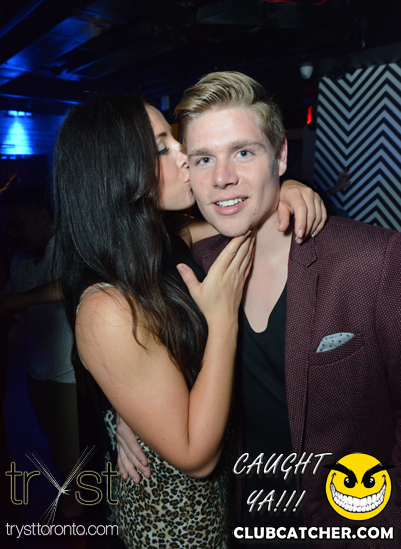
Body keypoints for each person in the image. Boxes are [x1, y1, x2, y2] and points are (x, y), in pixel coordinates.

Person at [120, 72, 401, 548]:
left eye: (243, 153)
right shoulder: (195, 267)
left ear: (281, 156)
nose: (222, 177)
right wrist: (129, 409)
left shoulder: (372, 260)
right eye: (204, 158)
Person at [53, 93, 326, 549]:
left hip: (221, 503)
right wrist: (222, 322)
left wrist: (286, 187)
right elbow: (196, 457)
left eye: (176, 140)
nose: (185, 155)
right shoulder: (105, 307)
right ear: (117, 173)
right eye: (163, 147)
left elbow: (243, 218)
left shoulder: (165, 242)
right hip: (172, 523)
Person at [1, 187, 81, 519]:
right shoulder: (21, 259)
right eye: (10, 226)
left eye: (20, 225)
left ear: (44, 218)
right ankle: (75, 496)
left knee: (73, 445)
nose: (13, 233)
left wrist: (20, 300)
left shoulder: (67, 248)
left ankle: (82, 504)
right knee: (53, 440)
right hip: (37, 372)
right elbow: (12, 310)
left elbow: (70, 285)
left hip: (69, 374)